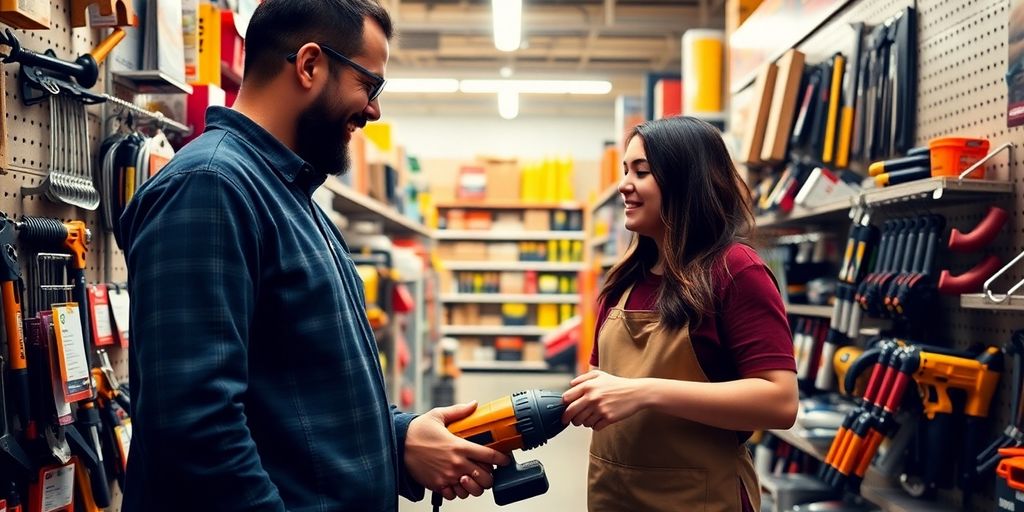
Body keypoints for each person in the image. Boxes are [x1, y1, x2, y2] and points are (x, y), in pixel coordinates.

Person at [117, 1, 508, 510]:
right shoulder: (211, 186)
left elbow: (296, 392)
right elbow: (194, 428)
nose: (374, 110)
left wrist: (398, 438)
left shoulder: (289, 193)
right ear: (308, 65)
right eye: (370, 85)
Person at [562, 116, 798, 512]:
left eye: (642, 171)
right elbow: (601, 384)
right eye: (625, 171)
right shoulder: (624, 280)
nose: (624, 185)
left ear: (685, 181)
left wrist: (644, 391)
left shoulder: (735, 270)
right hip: (615, 493)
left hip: (701, 497)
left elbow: (780, 401)